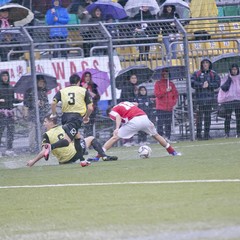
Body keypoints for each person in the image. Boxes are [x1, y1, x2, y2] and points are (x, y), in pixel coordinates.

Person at [26, 115, 118, 167]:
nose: (44, 124)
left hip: (64, 161)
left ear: (51, 122)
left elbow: (43, 152)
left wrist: (33, 162)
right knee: (90, 138)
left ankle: (83, 154)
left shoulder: (46, 135)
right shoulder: (64, 127)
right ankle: (103, 156)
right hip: (75, 154)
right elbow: (78, 136)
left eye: (45, 121)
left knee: (76, 141)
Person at [99, 101, 181, 157]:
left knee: (115, 137)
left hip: (134, 121)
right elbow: (136, 104)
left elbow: (117, 117)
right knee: (156, 135)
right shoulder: (124, 103)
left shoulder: (111, 112)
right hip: (144, 117)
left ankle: (98, 156)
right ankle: (173, 152)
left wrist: (117, 128)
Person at [44, 73, 93, 160]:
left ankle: (82, 160)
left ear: (70, 82)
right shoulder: (83, 91)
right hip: (75, 118)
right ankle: (50, 146)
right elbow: (90, 108)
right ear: (78, 82)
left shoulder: (63, 91)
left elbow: (53, 103)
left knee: (77, 137)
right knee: (67, 141)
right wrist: (86, 117)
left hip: (65, 117)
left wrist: (54, 113)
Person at [191, 58, 220, 140]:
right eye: (204, 63)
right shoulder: (196, 73)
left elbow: (217, 83)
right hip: (199, 99)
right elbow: (192, 83)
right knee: (199, 118)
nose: (205, 64)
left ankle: (207, 134)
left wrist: (209, 85)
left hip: (209, 99)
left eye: (207, 63)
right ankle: (198, 134)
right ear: (201, 64)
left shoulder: (213, 74)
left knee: (208, 117)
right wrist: (201, 84)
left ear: (209, 64)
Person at [23, 75, 50, 152]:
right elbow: (26, 104)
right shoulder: (29, 91)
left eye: (43, 81)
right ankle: (32, 148)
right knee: (32, 132)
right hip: (32, 115)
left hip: (42, 116)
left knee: (42, 133)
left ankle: (42, 147)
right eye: (40, 81)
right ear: (36, 82)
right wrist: (34, 104)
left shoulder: (43, 92)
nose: (42, 83)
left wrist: (43, 103)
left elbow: (47, 104)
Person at [0, 71, 22, 157]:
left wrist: (19, 100)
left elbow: (12, 100)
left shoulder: (10, 87)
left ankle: (9, 149)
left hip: (10, 113)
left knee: (11, 132)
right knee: (0, 131)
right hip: (1, 113)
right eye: (3, 76)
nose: (5, 77)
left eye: (6, 76)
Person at [154, 69, 179, 142]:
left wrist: (173, 103)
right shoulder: (158, 83)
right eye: (164, 74)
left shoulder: (171, 84)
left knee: (168, 123)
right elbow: (157, 94)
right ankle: (160, 138)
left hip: (169, 107)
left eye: (167, 74)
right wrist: (166, 91)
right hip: (161, 107)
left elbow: (175, 94)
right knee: (160, 123)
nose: (166, 75)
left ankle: (168, 137)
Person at [217, 63, 240, 138]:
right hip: (228, 100)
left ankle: (238, 133)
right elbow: (224, 88)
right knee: (228, 117)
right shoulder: (227, 78)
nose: (234, 71)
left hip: (238, 100)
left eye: (235, 69)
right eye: (233, 69)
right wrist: (229, 79)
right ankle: (226, 133)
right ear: (230, 70)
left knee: (238, 117)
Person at [119, 74, 139, 147]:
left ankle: (131, 139)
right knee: (126, 124)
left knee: (131, 124)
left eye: (135, 78)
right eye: (132, 78)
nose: (134, 79)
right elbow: (125, 98)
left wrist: (136, 93)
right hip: (125, 108)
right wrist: (132, 102)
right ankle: (126, 141)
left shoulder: (134, 87)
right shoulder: (127, 87)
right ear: (129, 79)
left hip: (131, 108)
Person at [80, 71, 100, 137]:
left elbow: (98, 97)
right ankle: (85, 139)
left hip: (92, 108)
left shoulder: (93, 86)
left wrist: (91, 93)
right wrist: (83, 89)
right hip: (83, 108)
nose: (87, 78)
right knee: (85, 124)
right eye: (86, 76)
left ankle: (90, 139)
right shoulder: (80, 86)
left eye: (89, 76)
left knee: (91, 125)